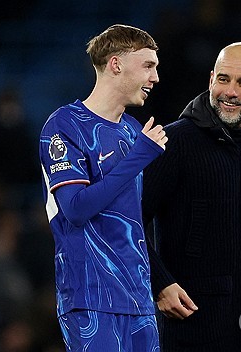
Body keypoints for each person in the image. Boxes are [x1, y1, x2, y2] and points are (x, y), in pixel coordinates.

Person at [142, 42, 241, 351]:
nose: (230, 91)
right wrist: (159, 283)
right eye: (224, 79)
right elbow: (131, 219)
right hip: (195, 326)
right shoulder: (173, 141)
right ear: (211, 79)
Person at [38, 24, 167, 352]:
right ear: (116, 64)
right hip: (91, 293)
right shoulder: (64, 125)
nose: (155, 78)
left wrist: (160, 281)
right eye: (148, 66)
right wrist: (139, 156)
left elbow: (133, 216)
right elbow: (77, 208)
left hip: (138, 295)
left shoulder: (132, 130)